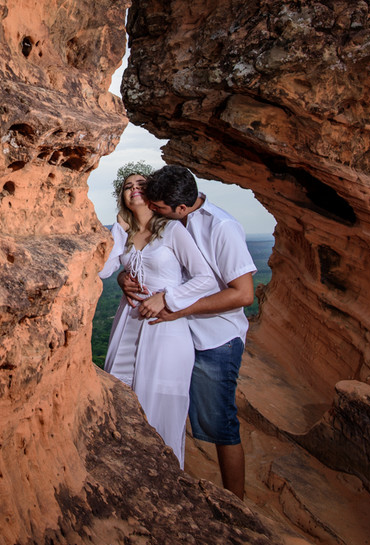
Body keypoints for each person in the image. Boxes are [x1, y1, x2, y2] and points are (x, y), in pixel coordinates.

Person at [122, 165, 256, 499]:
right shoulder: (169, 222)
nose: (152, 209)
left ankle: (237, 506)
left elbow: (243, 294)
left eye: (160, 207)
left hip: (216, 338)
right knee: (169, 405)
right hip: (178, 333)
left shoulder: (221, 228)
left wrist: (179, 307)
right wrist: (126, 277)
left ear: (182, 208)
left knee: (219, 423)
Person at [99, 166, 220, 469]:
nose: (135, 188)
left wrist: (166, 297)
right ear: (122, 197)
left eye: (141, 183)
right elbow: (102, 270)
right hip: (127, 325)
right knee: (120, 394)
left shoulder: (173, 231)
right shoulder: (125, 235)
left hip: (165, 327)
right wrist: (117, 232)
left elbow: (205, 278)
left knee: (161, 403)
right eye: (128, 186)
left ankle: (165, 475)